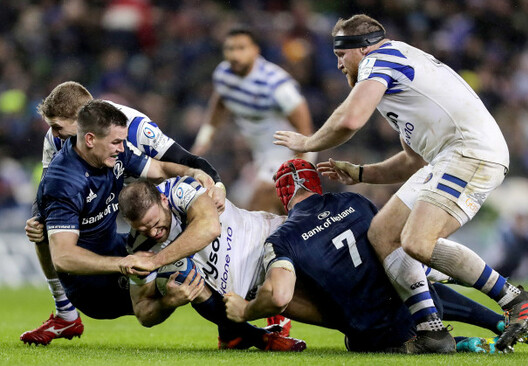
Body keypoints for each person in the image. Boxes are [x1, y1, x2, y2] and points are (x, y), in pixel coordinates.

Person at [273, 14, 528, 352]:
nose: (339, 65)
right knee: (383, 232)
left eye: (341, 55)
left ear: (361, 49)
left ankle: (515, 298)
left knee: (417, 241)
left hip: (470, 152)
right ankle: (432, 332)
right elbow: (413, 159)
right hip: (448, 155)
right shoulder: (394, 74)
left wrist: (309, 142)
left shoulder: (380, 60)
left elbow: (352, 118)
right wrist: (361, 173)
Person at [222, 159, 528, 353]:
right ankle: (497, 322)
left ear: (282, 198)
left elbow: (279, 297)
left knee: (337, 317)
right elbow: (395, 255)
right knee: (401, 277)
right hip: (418, 307)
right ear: (316, 184)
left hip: (374, 333)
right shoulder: (355, 202)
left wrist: (245, 310)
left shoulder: (282, 238)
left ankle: (460, 342)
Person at [21, 81, 225, 346]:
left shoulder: (135, 129)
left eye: (59, 126)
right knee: (45, 226)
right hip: (107, 192)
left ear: (85, 120)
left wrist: (214, 182)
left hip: (143, 189)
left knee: (191, 234)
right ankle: (65, 312)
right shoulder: (58, 143)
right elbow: (47, 186)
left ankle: (239, 307)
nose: (53, 134)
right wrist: (39, 216)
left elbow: (181, 160)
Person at [191, 26, 315, 333]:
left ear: (256, 51)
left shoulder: (276, 83)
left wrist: (302, 172)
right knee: (264, 228)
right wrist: (205, 138)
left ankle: (276, 308)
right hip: (261, 160)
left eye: (241, 48)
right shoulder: (224, 74)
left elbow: (306, 128)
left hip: (284, 158)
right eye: (229, 49)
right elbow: (220, 102)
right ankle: (277, 301)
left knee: (258, 221)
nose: (234, 55)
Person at [118, 177, 305, 351]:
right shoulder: (138, 247)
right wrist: (169, 301)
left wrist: (155, 262)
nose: (152, 233)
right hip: (237, 287)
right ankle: (257, 337)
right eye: (143, 229)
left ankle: (232, 334)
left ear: (163, 199)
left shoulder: (179, 190)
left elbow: (210, 228)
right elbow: (143, 312)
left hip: (262, 237)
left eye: (156, 222)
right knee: (185, 276)